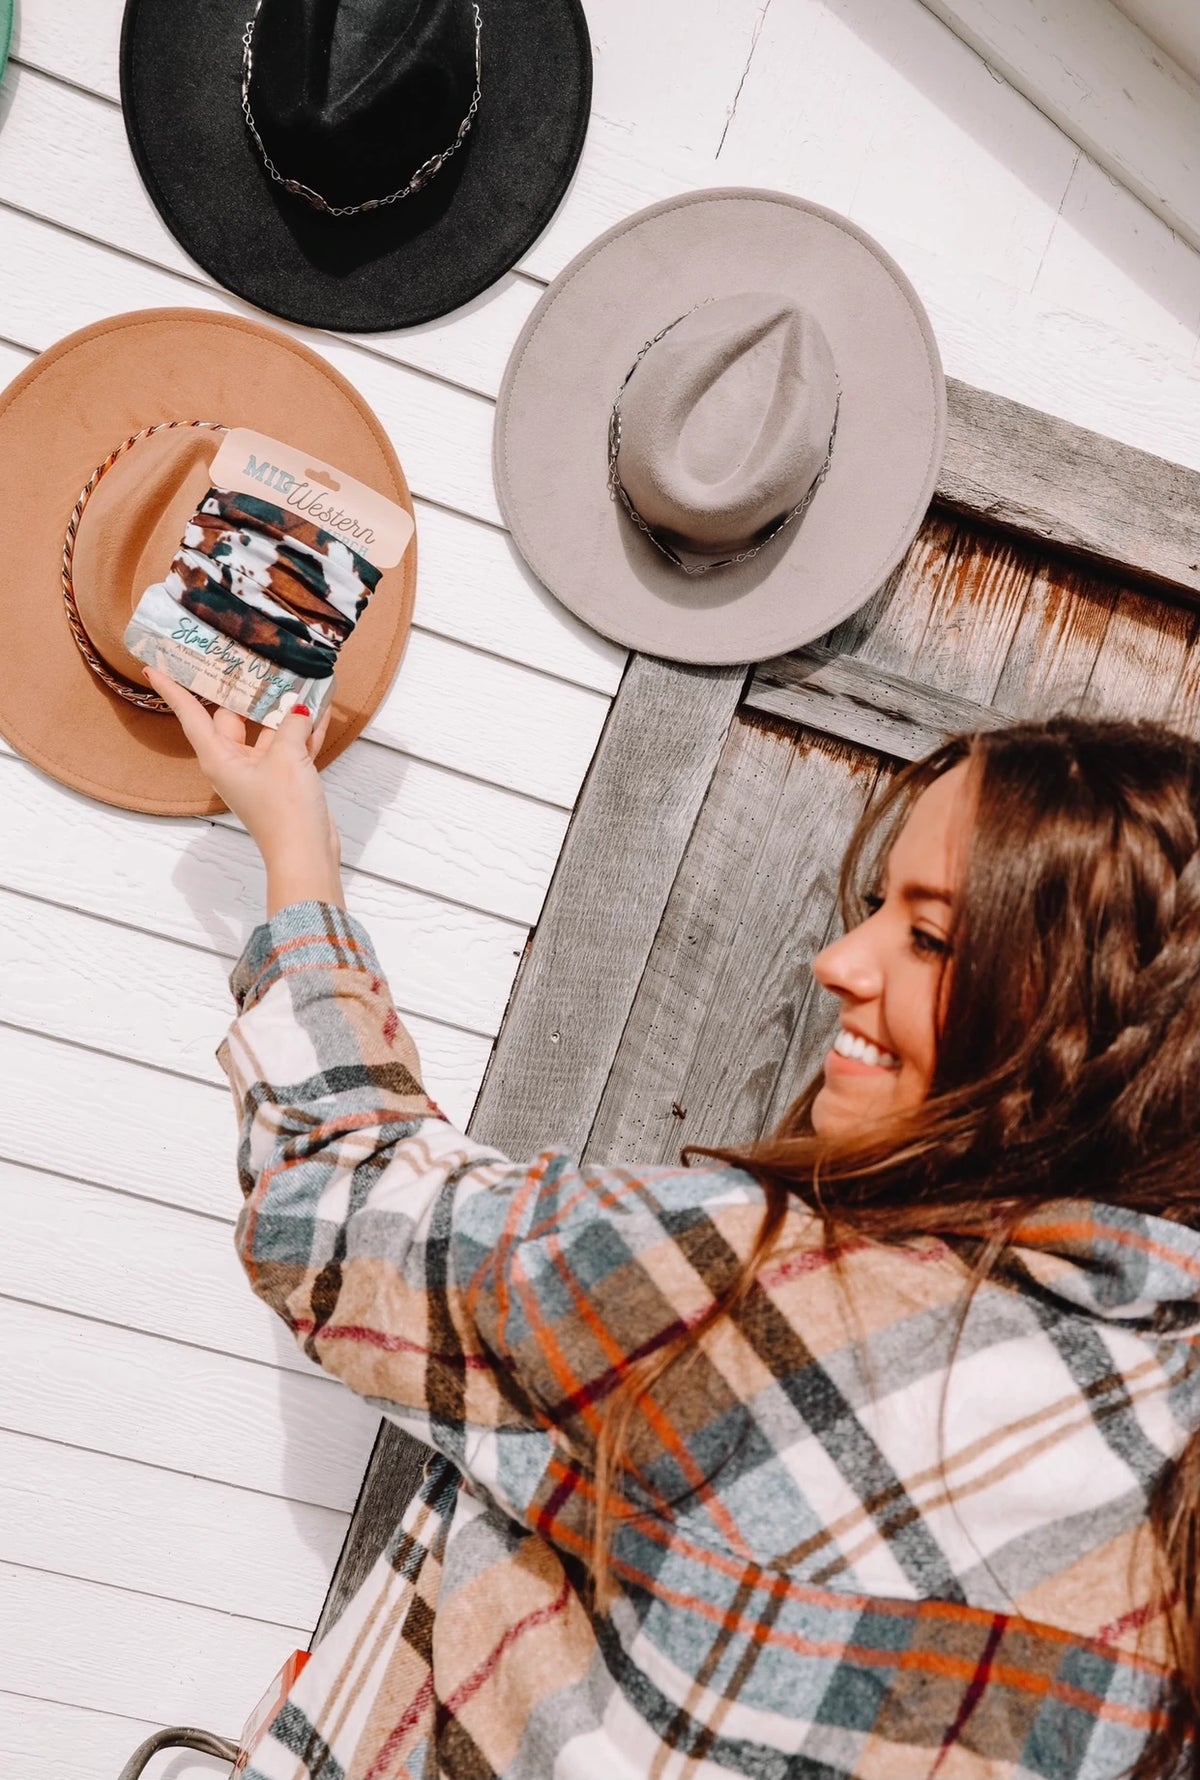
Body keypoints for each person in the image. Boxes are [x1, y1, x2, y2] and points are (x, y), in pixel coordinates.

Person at [147, 663, 1200, 1780]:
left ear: (1089, 1019)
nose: (839, 961)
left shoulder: (763, 1294)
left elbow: (338, 1205)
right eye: (875, 910)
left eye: (929, 940)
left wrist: (297, 860)